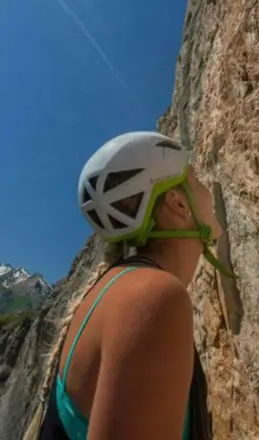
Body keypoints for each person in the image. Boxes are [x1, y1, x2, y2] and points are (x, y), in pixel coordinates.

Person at [34, 131, 232, 440]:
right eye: (196, 180)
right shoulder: (151, 299)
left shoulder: (117, 290)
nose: (207, 190)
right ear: (179, 203)